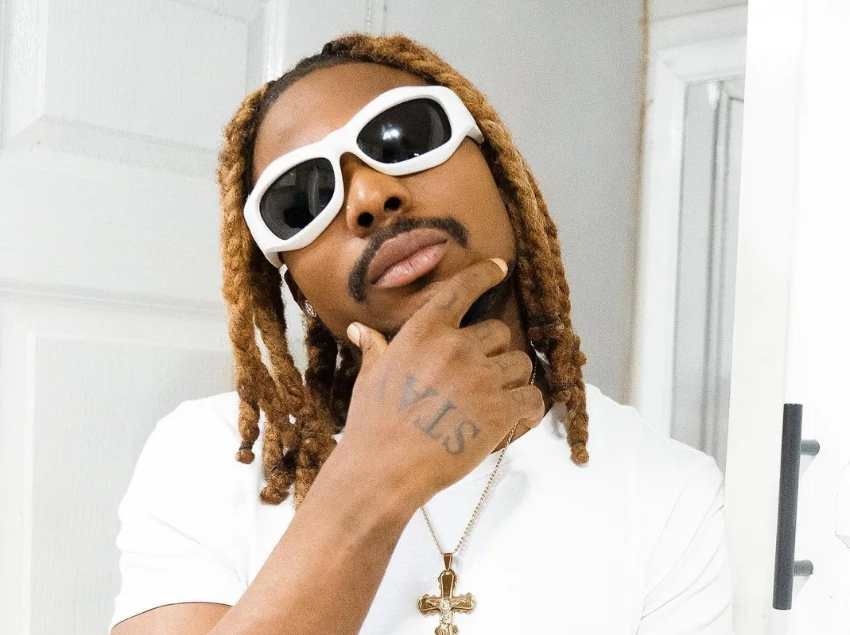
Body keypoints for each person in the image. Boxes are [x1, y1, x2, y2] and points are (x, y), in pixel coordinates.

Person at [109, 33, 733, 635]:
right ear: (293, 281)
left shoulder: (669, 492)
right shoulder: (208, 457)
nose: (370, 196)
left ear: (500, 172)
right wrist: (372, 477)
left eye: (404, 137)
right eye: (301, 200)